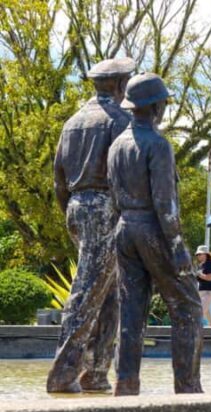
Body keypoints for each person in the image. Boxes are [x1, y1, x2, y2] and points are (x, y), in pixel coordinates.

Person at [107, 72, 203, 395]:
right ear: (155, 107)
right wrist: (177, 247)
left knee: (131, 310)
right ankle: (188, 388)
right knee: (188, 305)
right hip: (153, 229)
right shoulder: (158, 145)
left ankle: (125, 383)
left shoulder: (116, 145)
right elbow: (165, 203)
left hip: (124, 230)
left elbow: (113, 195)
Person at [47, 58, 135, 393]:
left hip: (76, 207)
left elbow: (58, 180)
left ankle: (96, 372)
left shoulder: (72, 122)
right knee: (86, 292)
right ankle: (62, 372)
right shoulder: (119, 121)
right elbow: (125, 174)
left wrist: (72, 212)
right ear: (119, 84)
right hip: (104, 209)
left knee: (110, 293)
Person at [195, 246, 211, 327]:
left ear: (205, 254)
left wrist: (199, 274)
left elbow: (210, 278)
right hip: (201, 292)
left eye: (200, 254)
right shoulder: (200, 265)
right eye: (197, 254)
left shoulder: (210, 264)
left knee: (199, 312)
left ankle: (193, 330)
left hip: (210, 292)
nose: (198, 256)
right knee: (208, 317)